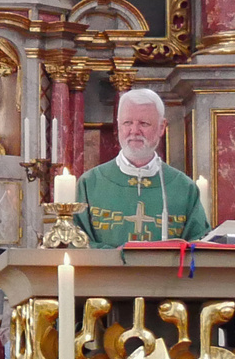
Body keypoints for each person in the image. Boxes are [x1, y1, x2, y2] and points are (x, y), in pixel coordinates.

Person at [75, 88, 209, 248]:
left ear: (162, 127)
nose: (134, 131)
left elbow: (199, 250)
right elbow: (76, 244)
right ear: (118, 125)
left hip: (167, 274)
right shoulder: (90, 184)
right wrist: (118, 258)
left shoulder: (185, 188)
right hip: (106, 273)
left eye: (144, 123)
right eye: (127, 123)